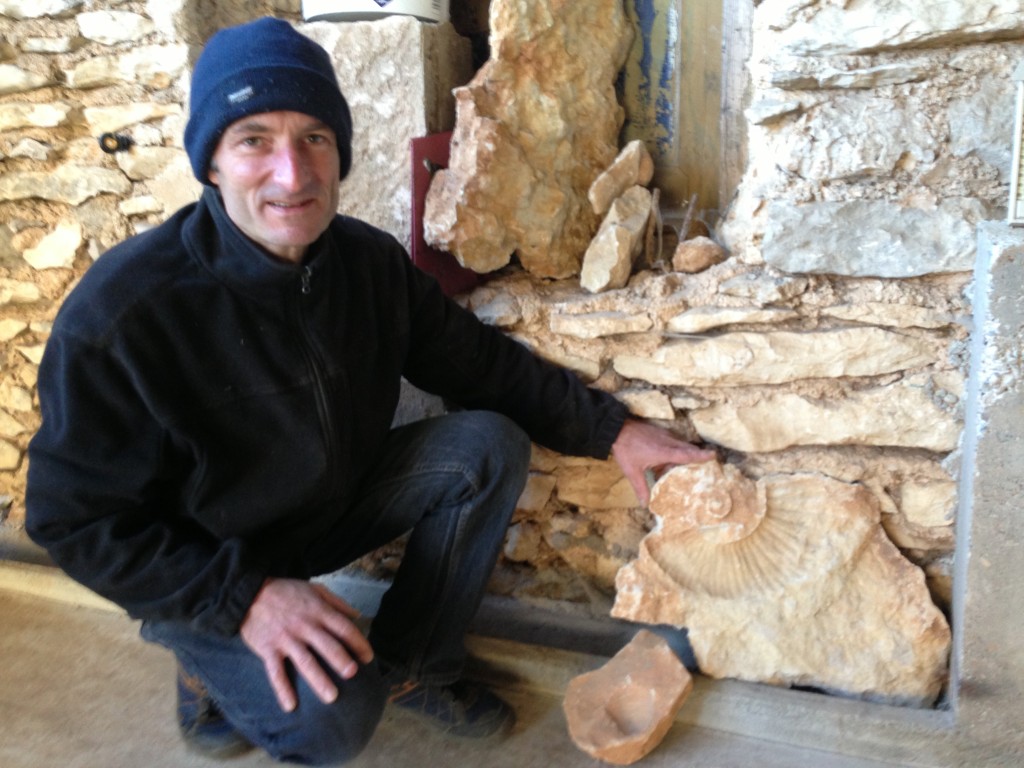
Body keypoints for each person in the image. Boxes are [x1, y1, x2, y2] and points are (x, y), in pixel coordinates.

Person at [24, 17, 715, 766]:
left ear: (340, 152)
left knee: (483, 444)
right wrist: (243, 597)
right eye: (254, 139)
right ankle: (203, 656)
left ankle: (416, 661)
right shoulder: (123, 312)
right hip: (206, 553)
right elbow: (73, 521)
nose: (293, 174)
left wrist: (612, 431)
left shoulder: (366, 264)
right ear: (211, 162)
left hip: (325, 506)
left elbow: (478, 364)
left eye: (315, 138)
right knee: (332, 719)